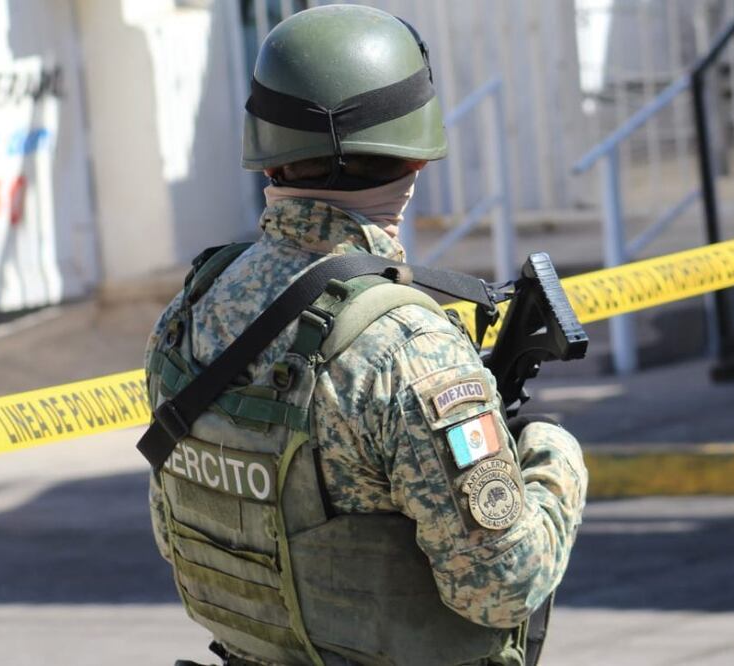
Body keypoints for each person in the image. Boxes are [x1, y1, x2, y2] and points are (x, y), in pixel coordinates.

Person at [142, 6, 588, 666]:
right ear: (416, 155)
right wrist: (554, 458)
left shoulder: (195, 302)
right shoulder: (410, 349)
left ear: (268, 156)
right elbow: (500, 587)